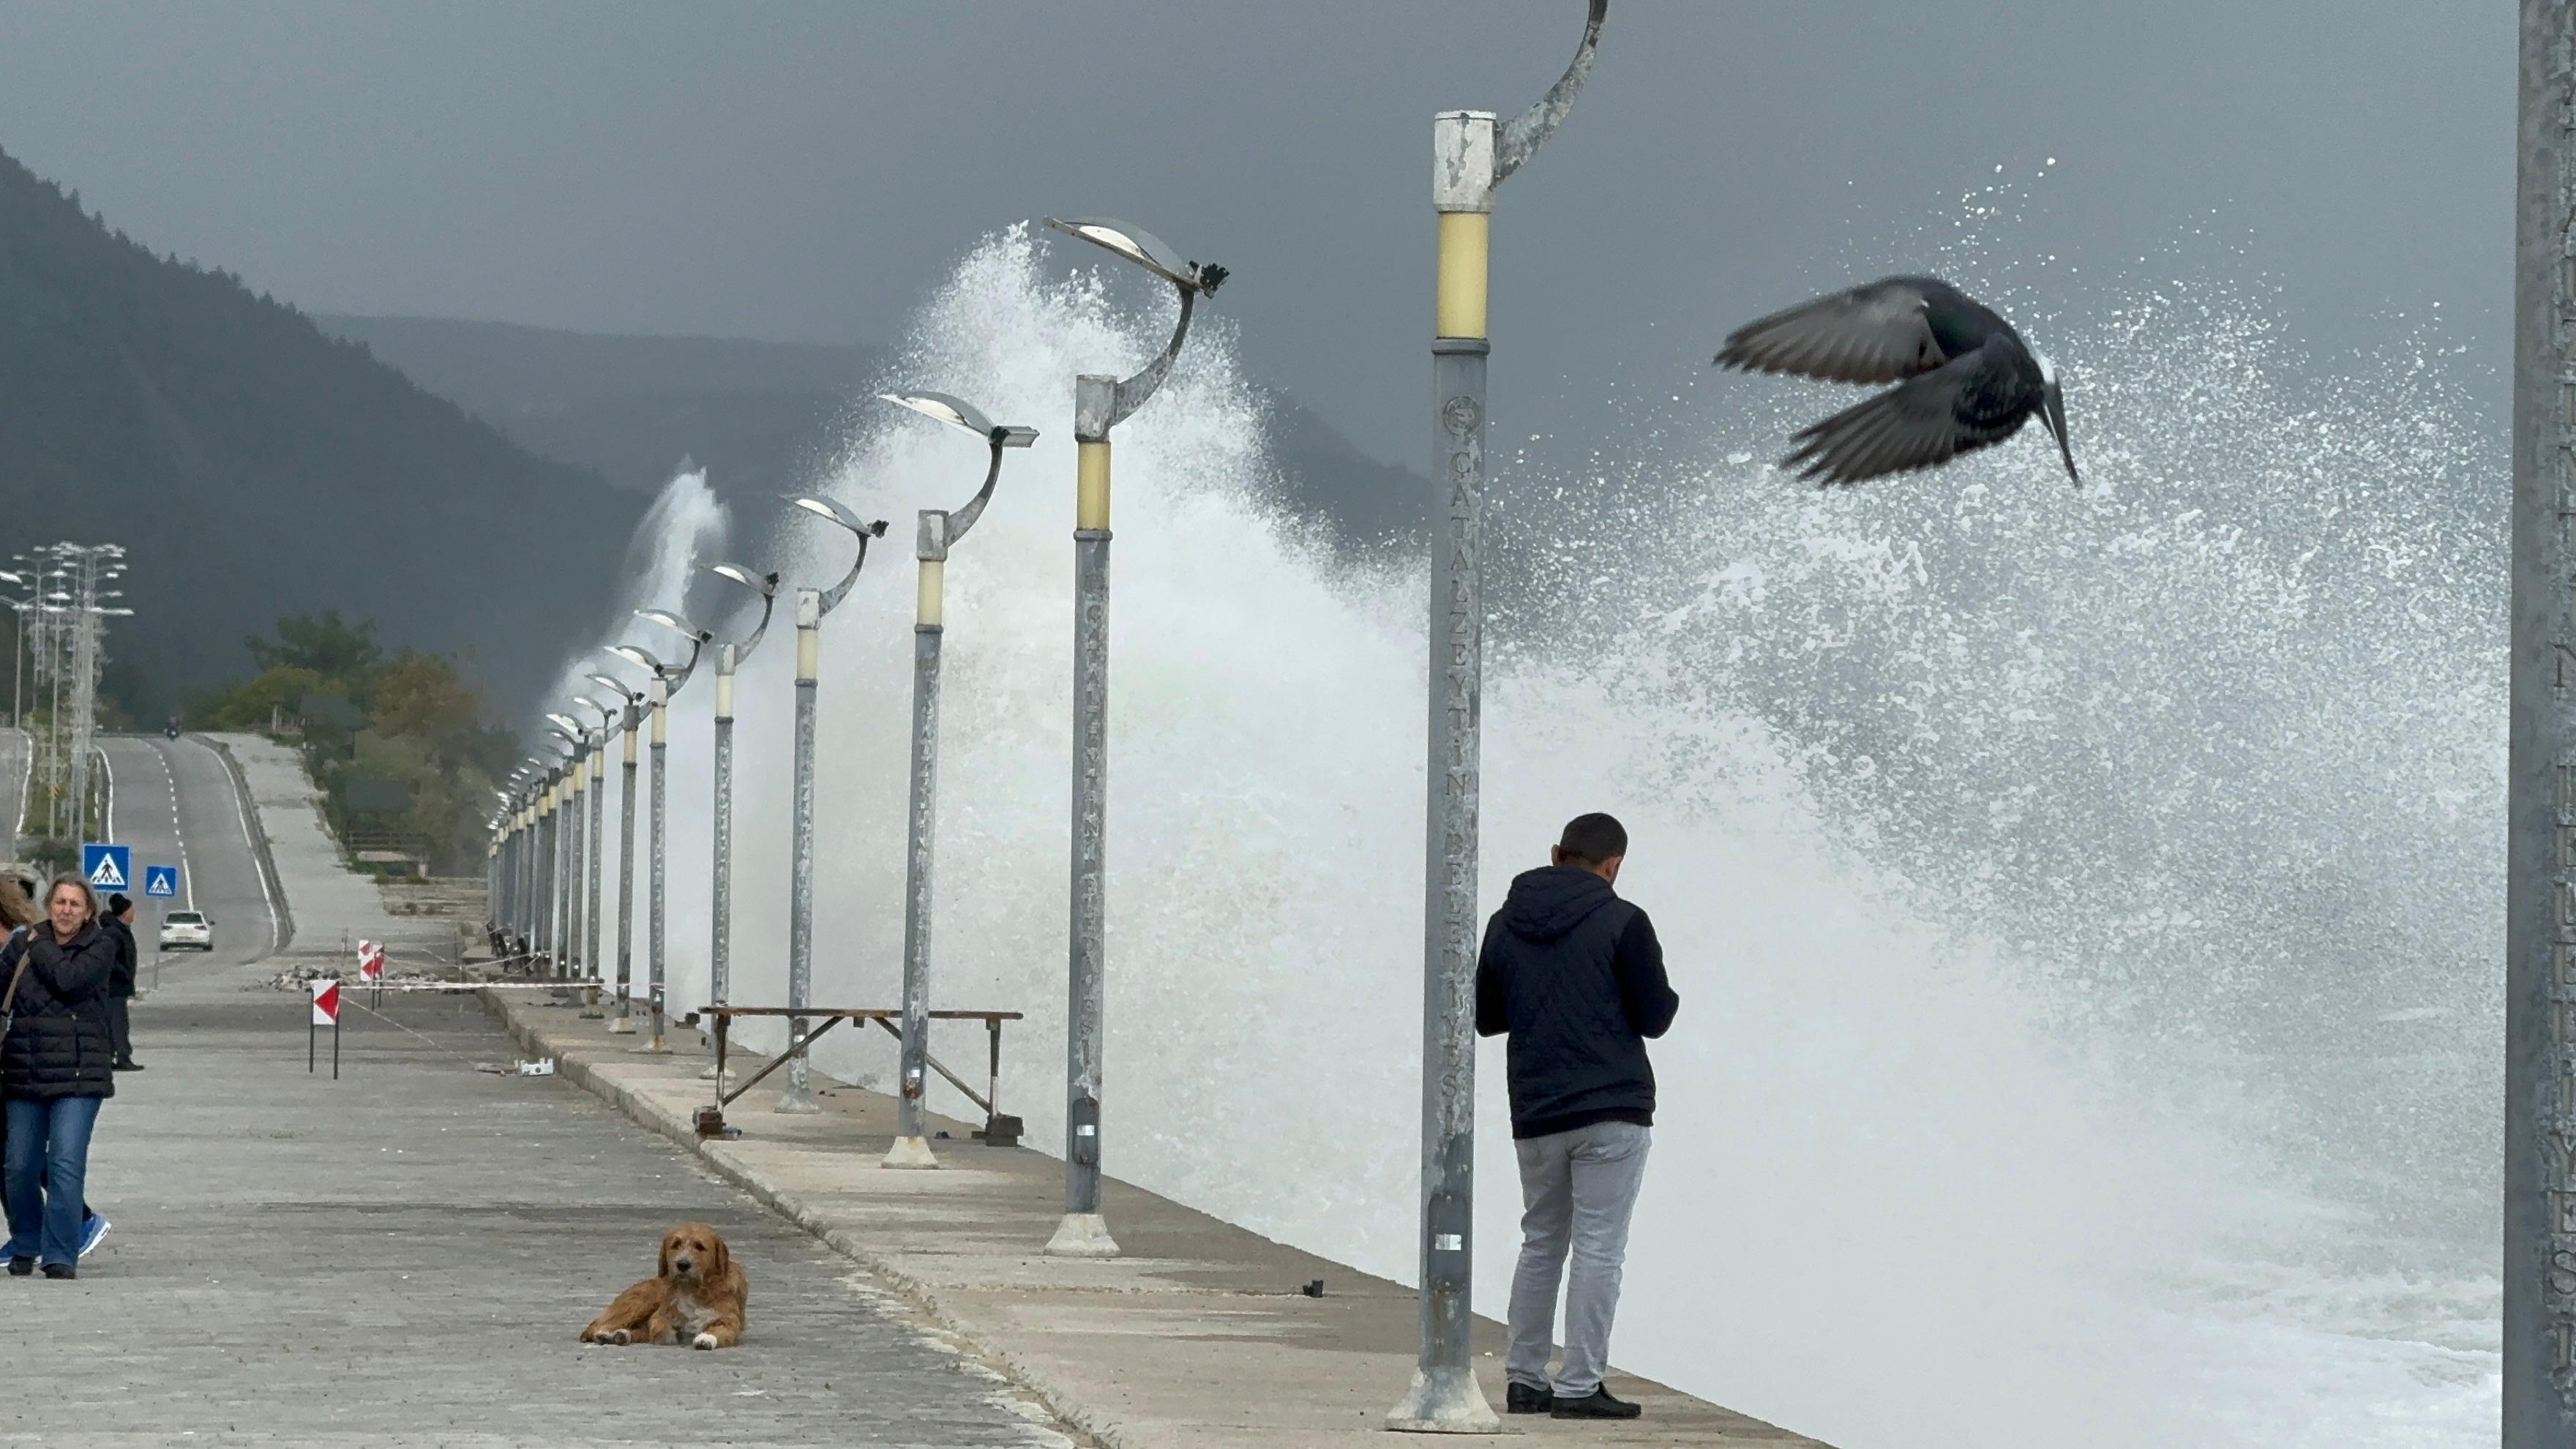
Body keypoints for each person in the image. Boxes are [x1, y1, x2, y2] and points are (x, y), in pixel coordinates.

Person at [1475, 812, 1680, 1421]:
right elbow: (1656, 1017)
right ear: (1613, 864)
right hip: (1611, 1108)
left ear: (1557, 852)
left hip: (1536, 1109)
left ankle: (1524, 1379)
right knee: (1598, 1247)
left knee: (1541, 1242)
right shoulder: (1623, 919)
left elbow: (1487, 1016)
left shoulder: (1505, 922)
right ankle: (1579, 1384)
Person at [0, 874, 119, 1278]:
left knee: (65, 1162)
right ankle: (27, 1242)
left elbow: (69, 982)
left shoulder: (101, 945)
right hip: (23, 1072)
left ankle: (60, 1254)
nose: (66, 911)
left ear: (88, 913)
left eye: (75, 904)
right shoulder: (21, 944)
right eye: (60, 902)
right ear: (49, 904)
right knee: (17, 1166)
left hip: (78, 1076)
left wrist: (42, 942)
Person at [102, 893, 142, 1071]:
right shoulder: (113, 932)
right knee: (118, 1023)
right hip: (113, 987)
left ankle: (111, 1056)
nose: (134, 913)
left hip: (118, 987)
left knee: (113, 1023)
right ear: (125, 912)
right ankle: (121, 1056)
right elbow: (109, 960)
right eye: (131, 909)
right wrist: (123, 974)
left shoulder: (119, 930)